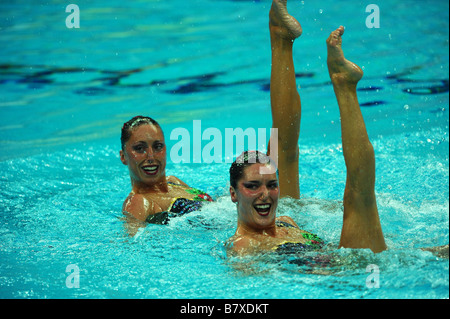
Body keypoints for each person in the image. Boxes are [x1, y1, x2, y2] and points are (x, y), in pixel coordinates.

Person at [226, 0, 387, 256]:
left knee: (284, 149)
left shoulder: (287, 222)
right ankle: (344, 87)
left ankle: (281, 37)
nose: (265, 194)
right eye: (253, 186)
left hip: (339, 260)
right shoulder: (243, 248)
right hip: (347, 275)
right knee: (359, 192)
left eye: (271, 185)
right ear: (233, 194)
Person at [120, 116, 213, 226]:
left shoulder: (173, 181)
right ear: (123, 157)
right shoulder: (137, 202)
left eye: (157, 146)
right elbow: (131, 242)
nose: (151, 156)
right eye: (140, 148)